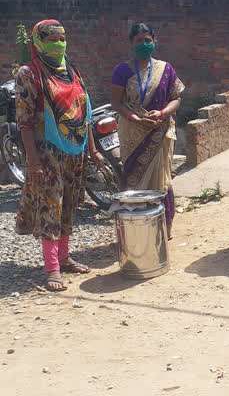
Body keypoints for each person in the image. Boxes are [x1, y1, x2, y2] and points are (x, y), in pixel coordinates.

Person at [15, 20, 103, 292]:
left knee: (70, 204)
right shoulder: (29, 74)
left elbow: (84, 112)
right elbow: (25, 122)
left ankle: (64, 257)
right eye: (51, 39)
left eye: (61, 38)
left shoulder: (71, 70)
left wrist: (92, 149)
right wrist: (33, 161)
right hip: (47, 153)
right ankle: (52, 267)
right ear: (38, 42)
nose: (58, 44)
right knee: (50, 206)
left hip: (74, 152)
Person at [111, 24, 185, 239]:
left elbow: (177, 98)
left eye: (148, 40)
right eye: (139, 41)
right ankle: (136, 230)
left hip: (160, 132)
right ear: (131, 44)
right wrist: (135, 118)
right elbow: (116, 102)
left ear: (154, 41)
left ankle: (163, 227)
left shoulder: (166, 69)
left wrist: (162, 113)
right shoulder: (122, 70)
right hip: (133, 133)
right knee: (134, 177)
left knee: (162, 180)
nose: (144, 44)